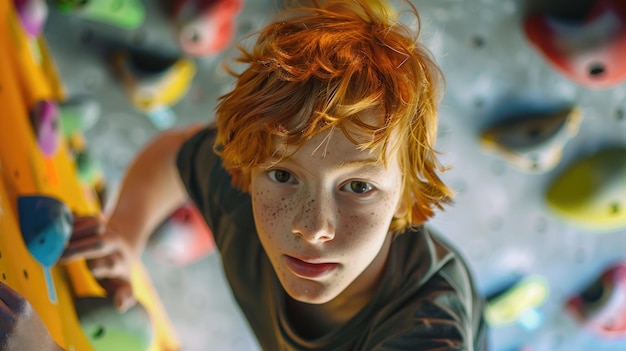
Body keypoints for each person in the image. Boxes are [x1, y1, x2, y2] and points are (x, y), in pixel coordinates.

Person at [5, 0, 487, 349]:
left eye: (358, 187)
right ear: (245, 167)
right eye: (282, 174)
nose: (312, 226)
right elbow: (177, 150)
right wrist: (125, 235)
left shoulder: (427, 330)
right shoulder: (240, 189)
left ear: (408, 194)